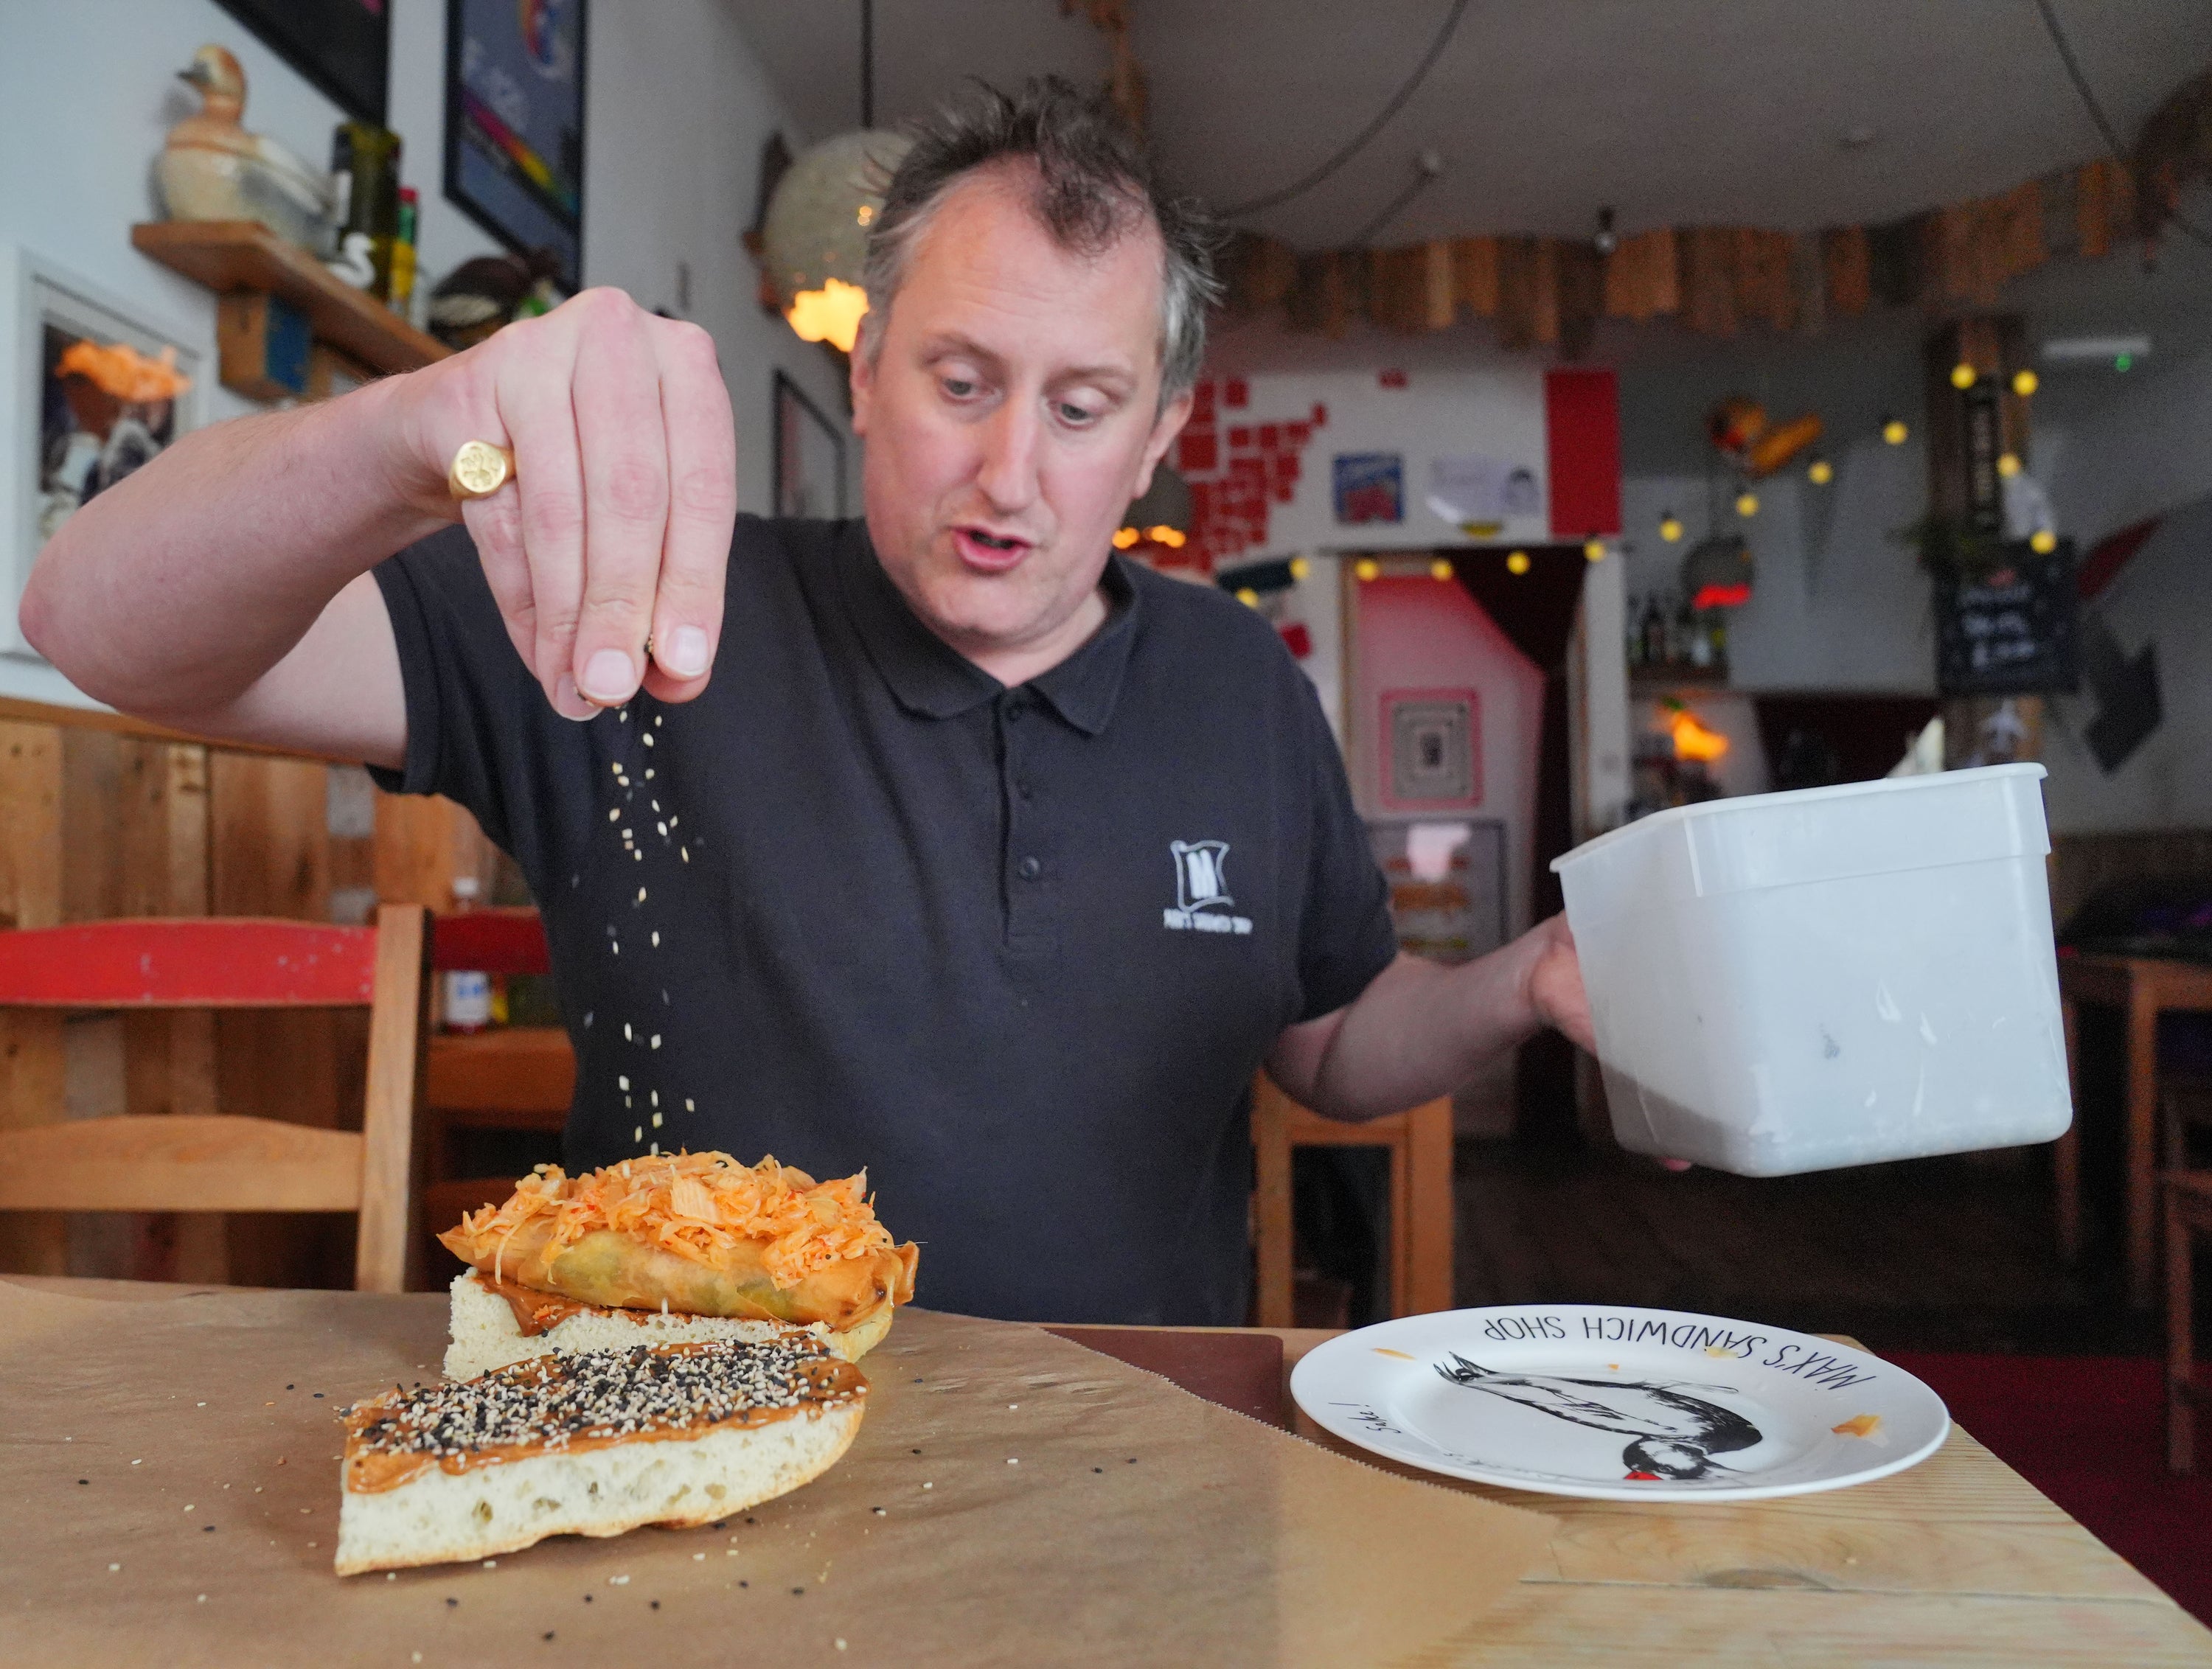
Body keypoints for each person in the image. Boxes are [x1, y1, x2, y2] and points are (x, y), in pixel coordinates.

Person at [24, 79, 1592, 1325]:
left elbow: (1332, 1045)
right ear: (863, 372)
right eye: (959, 380)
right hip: (670, 1469)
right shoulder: (647, 602)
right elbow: (92, 624)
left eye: (1080, 406)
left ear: (1162, 426)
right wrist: (412, 429)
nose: (1008, 474)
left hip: (1130, 1463)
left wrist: (1527, 979)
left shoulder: (1240, 683)